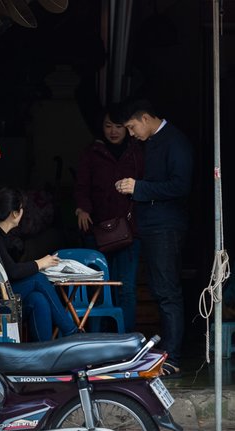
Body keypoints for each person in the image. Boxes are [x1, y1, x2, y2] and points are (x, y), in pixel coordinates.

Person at [115, 99, 193, 376]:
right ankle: (166, 351)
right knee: (160, 291)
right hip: (149, 224)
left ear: (146, 118)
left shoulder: (175, 142)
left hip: (166, 227)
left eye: (132, 127)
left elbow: (180, 185)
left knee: (167, 292)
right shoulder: (145, 144)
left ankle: (172, 355)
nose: (131, 133)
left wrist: (140, 188)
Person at [74, 104, 144, 333]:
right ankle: (98, 337)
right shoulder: (91, 153)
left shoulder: (136, 152)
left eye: (118, 126)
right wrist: (82, 209)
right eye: (107, 126)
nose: (113, 131)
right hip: (97, 231)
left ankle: (126, 339)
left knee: (126, 288)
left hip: (129, 230)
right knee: (98, 288)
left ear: (127, 128)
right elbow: (81, 186)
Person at [0, 188, 79, 342]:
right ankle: (71, 332)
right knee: (38, 279)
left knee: (38, 299)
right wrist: (41, 263)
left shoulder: (5, 237)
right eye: (21, 208)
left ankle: (44, 354)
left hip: (7, 297)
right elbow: (13, 272)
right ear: (15, 213)